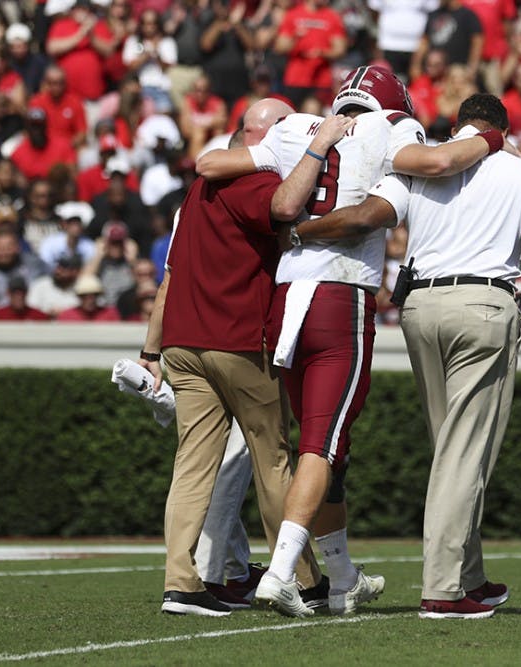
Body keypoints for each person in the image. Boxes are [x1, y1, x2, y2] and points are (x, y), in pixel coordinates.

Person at [196, 66, 507, 619]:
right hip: (341, 292)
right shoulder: (394, 127)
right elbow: (434, 163)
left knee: (319, 446)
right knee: (323, 443)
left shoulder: (297, 127)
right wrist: (488, 137)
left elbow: (212, 163)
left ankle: (341, 578)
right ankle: (283, 571)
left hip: (286, 293)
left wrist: (298, 170)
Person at [290, 93, 521, 619]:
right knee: (465, 454)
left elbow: (364, 217)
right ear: (500, 131)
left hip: (419, 308)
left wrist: (297, 231)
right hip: (485, 305)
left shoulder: (420, 162)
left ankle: (470, 575)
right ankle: (444, 590)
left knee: (452, 449)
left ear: (456, 125)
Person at [139, 103, 351, 617]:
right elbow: (283, 209)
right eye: (284, 125)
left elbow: (169, 280)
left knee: (191, 467)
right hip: (235, 341)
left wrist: (150, 349)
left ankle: (180, 584)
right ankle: (300, 578)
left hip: (183, 345)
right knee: (275, 462)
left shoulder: (194, 194)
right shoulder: (254, 183)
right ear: (260, 138)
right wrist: (319, 147)